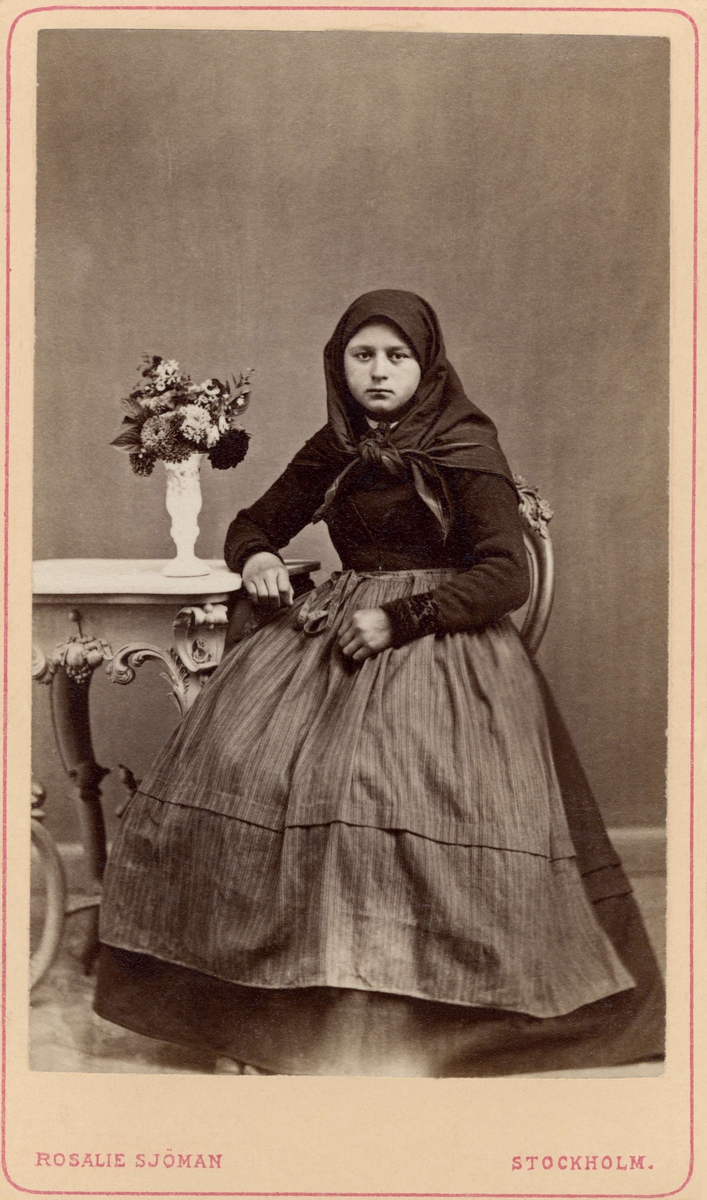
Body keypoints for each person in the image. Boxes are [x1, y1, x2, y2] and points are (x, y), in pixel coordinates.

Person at [94, 290, 664, 1077]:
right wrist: (257, 556)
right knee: (244, 763)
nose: (379, 371)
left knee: (376, 784)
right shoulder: (334, 447)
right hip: (333, 635)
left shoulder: (465, 444)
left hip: (443, 646)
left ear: (425, 365)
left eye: (396, 356)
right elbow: (252, 523)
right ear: (341, 365)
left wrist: (402, 619)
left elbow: (504, 574)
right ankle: (260, 1009)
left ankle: (406, 1022)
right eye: (362, 355)